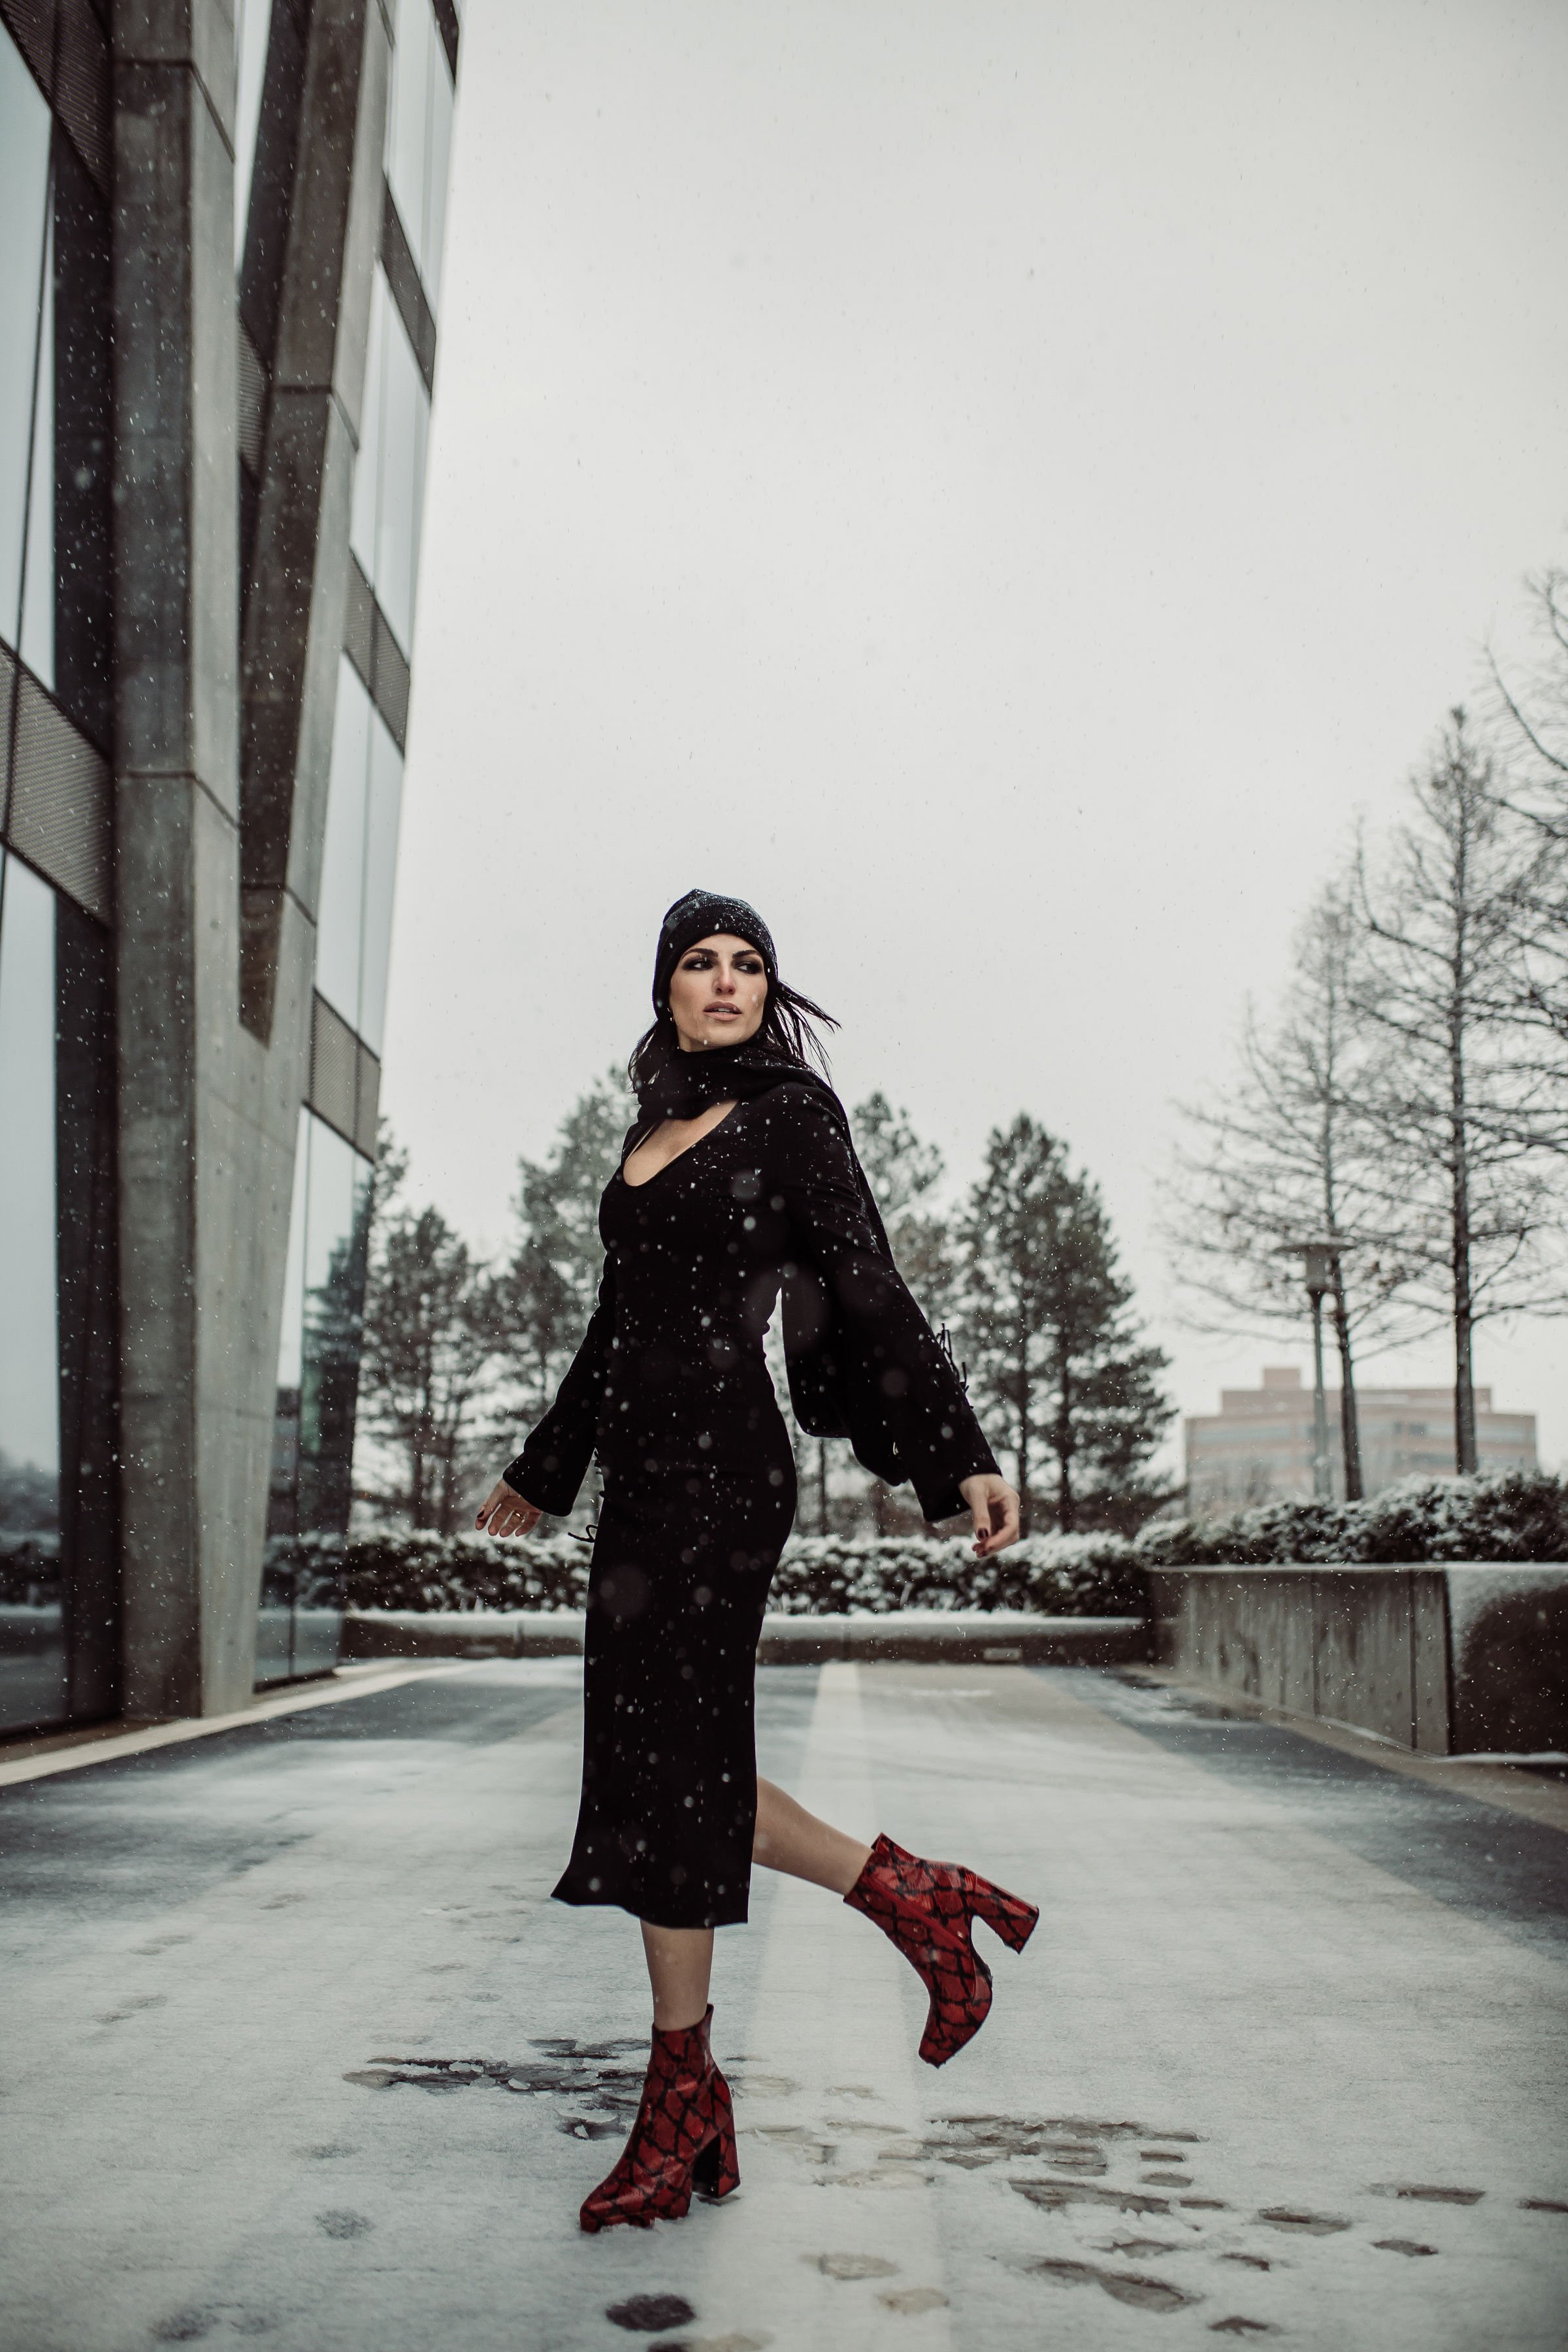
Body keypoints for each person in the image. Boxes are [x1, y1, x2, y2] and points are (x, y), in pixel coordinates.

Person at [476, 888, 1036, 2232]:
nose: (723, 981)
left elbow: (872, 1279)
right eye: (697, 962)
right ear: (664, 988)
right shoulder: (652, 1131)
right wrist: (543, 1467)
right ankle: (905, 1909)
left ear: (770, 992)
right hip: (641, 1482)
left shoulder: (793, 1118)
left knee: (672, 1775)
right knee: (653, 1773)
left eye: (748, 964)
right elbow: (618, 1326)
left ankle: (686, 2100)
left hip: (728, 1476)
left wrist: (962, 1451)